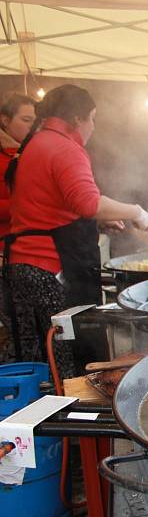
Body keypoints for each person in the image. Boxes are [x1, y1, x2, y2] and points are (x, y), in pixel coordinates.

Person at [5, 84, 148, 378]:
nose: (93, 127)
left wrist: (99, 221)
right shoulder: (64, 148)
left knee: (40, 357)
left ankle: (40, 413)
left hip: (22, 268)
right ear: (77, 119)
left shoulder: (37, 143)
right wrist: (136, 211)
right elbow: (87, 203)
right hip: (50, 271)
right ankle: (70, 415)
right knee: (69, 362)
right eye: (93, 118)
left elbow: (48, 206)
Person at [0, 92, 36, 363]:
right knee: (17, 331)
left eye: (35, 120)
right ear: (5, 120)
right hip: (4, 254)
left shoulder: (29, 154)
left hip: (25, 258)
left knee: (31, 332)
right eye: (25, 120)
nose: (31, 126)